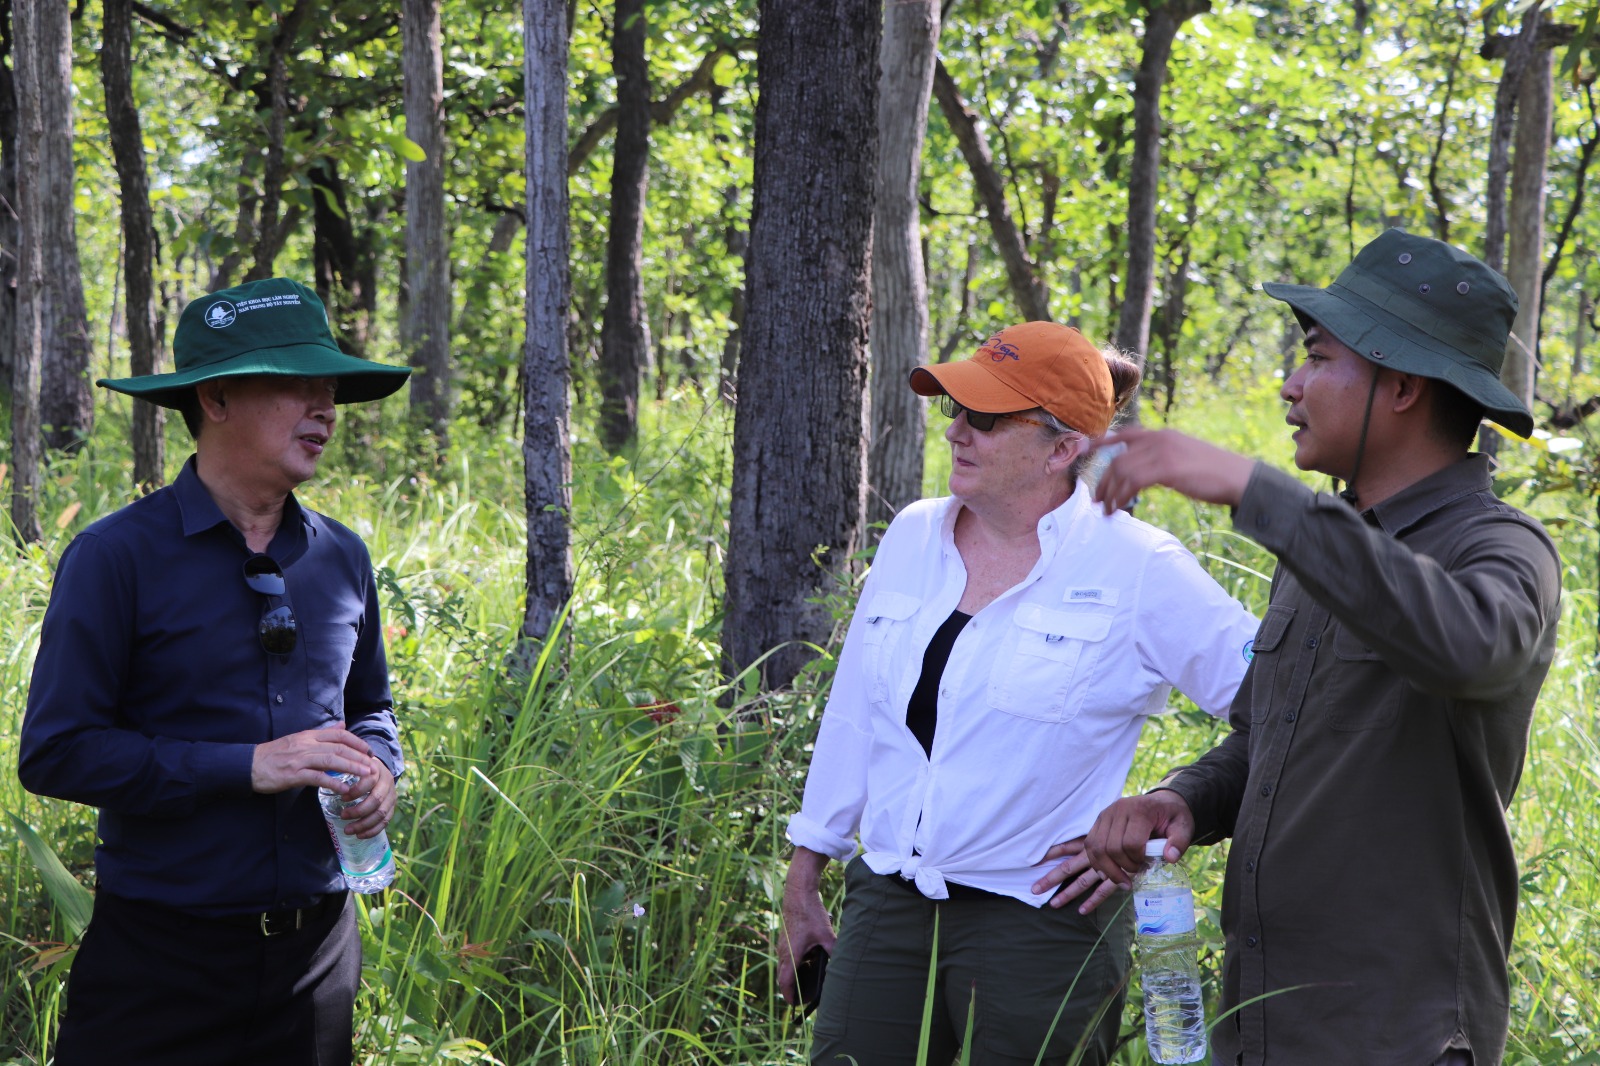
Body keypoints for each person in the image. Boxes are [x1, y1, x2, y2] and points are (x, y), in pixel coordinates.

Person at [1035, 230, 1563, 1066]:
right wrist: (1187, 799)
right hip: (1265, 1020)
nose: (1290, 386)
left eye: (1316, 360)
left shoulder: (1501, 548)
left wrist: (1257, 491)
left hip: (1401, 1035)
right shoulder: (1325, 546)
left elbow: (1472, 648)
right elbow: (1265, 739)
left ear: (1400, 386)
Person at [776, 321, 1258, 1065]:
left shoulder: (1138, 567)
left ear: (1063, 449)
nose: (958, 432)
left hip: (1040, 925)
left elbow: (1284, 705)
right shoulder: (912, 534)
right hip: (888, 905)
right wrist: (807, 871)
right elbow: (855, 713)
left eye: (987, 418)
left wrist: (1177, 799)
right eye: (955, 410)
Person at [18, 277, 413, 1066]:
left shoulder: (343, 556)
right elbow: (57, 751)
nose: (326, 407)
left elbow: (372, 708)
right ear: (217, 398)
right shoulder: (115, 558)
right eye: (297, 385)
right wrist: (247, 767)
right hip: (161, 963)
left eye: (330, 387)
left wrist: (381, 770)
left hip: (318, 959)